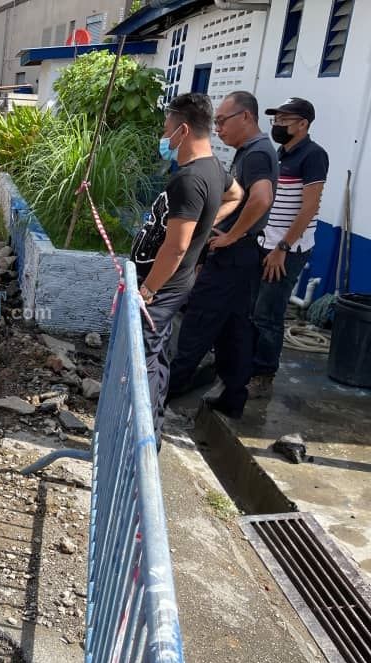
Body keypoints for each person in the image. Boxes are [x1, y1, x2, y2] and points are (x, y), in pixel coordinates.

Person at [132, 93, 242, 441]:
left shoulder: (190, 179)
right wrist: (204, 227)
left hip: (160, 290)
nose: (164, 138)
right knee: (159, 356)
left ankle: (144, 438)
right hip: (172, 285)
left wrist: (147, 291)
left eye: (166, 130)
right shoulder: (215, 170)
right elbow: (236, 195)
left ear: (182, 129)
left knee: (144, 360)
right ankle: (153, 423)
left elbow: (177, 247)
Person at [168, 91, 279, 419]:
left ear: (246, 117)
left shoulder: (257, 153)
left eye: (222, 121)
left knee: (197, 323)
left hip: (234, 255)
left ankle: (161, 393)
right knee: (235, 331)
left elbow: (262, 198)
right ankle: (233, 397)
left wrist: (232, 234)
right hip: (243, 256)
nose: (218, 128)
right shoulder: (250, 151)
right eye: (215, 122)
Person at [249, 98, 328, 399]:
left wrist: (283, 247)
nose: (278, 125)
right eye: (276, 120)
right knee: (252, 308)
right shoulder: (281, 153)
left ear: (303, 124)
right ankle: (247, 364)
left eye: (284, 120)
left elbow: (309, 208)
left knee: (268, 312)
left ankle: (263, 374)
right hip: (265, 242)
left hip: (287, 249)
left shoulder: (313, 155)